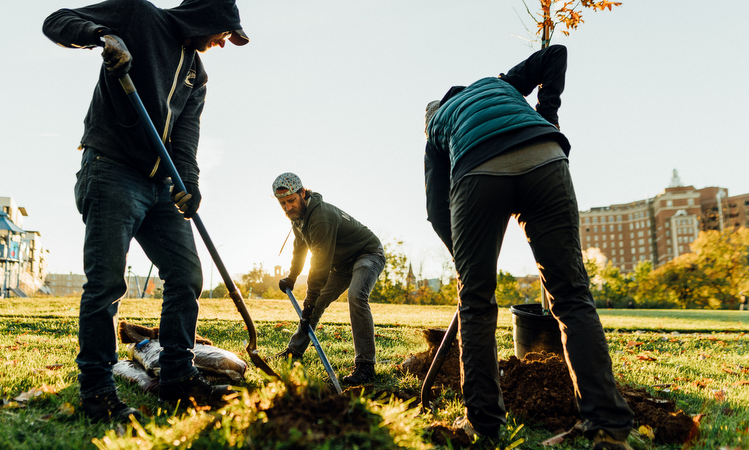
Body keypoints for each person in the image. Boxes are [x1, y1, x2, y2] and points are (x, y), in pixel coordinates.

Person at [42, 0, 249, 422]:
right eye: (225, 33)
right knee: (106, 284)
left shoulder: (198, 72)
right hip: (112, 168)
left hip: (161, 185)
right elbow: (56, 21)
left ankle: (176, 375)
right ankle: (97, 391)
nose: (223, 43)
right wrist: (102, 37)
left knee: (187, 274)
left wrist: (188, 185)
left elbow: (186, 138)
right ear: (206, 15)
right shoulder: (139, 15)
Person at [423, 45, 635, 448]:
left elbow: (436, 210)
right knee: (571, 294)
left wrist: (468, 262)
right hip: (545, 156)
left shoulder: (436, 126)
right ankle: (605, 425)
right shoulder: (498, 85)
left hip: (478, 170)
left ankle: (483, 427)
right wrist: (547, 115)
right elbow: (555, 54)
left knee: (477, 302)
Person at [272, 173, 386, 386]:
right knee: (317, 303)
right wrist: (292, 276)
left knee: (356, 295)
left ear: (302, 193)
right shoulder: (298, 218)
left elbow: (320, 263)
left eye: (291, 201)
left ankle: (365, 365)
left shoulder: (320, 217)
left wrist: (308, 302)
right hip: (342, 264)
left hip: (367, 253)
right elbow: (299, 251)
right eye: (282, 204)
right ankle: (294, 352)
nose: (287, 207)